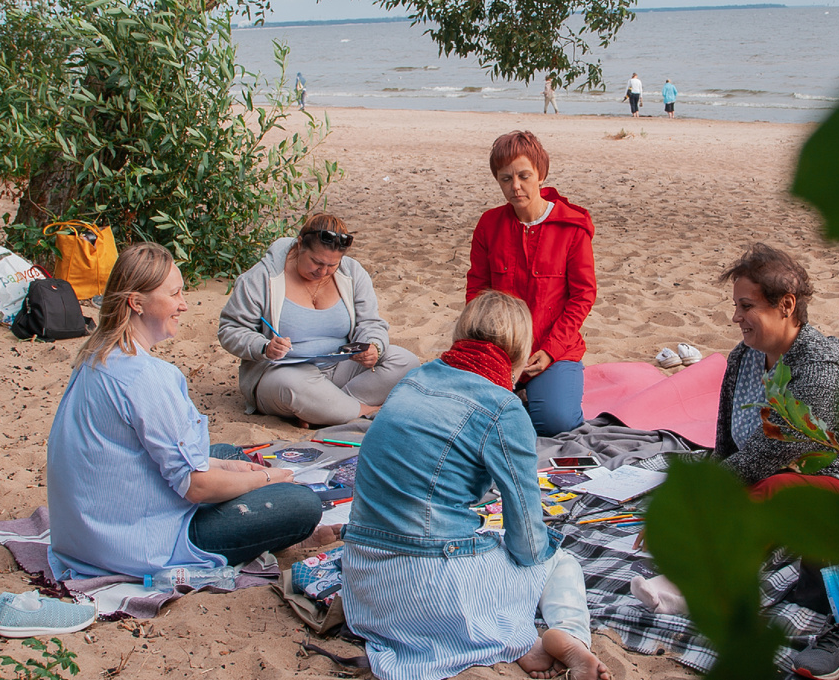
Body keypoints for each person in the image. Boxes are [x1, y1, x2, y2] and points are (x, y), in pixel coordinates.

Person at [342, 291, 611, 680]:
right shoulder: (503, 408)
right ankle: (569, 637)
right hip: (432, 584)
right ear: (521, 348)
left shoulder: (414, 378)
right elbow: (527, 537)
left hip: (366, 585)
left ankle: (525, 643)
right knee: (559, 561)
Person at [47, 243, 323, 580]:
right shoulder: (145, 376)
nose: (183, 304)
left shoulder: (96, 356)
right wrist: (264, 479)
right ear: (137, 303)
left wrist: (226, 466)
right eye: (175, 294)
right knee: (300, 504)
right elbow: (196, 486)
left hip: (88, 531)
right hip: (133, 545)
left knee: (224, 454)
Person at [218, 214, 419, 427]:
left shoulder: (352, 273)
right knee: (292, 386)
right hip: (283, 372)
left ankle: (322, 410)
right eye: (316, 262)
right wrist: (264, 346)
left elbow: (370, 323)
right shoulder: (260, 278)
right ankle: (360, 411)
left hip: (341, 367)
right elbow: (230, 329)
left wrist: (373, 346)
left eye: (332, 265)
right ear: (300, 245)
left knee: (406, 361)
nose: (323, 272)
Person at [714, 243, 839, 502]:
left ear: (786, 305)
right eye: (736, 306)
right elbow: (726, 447)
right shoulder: (743, 357)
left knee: (777, 490)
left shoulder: (821, 370)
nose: (736, 317)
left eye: (747, 306)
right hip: (762, 476)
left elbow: (771, 451)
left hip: (837, 480)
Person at [466, 130, 596, 435]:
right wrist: (494, 348)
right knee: (471, 418)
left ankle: (536, 394)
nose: (516, 187)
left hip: (552, 352)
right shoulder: (488, 225)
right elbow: (477, 291)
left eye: (524, 176)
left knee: (556, 423)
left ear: (541, 174)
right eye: (505, 179)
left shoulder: (572, 228)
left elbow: (583, 296)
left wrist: (550, 351)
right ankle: (519, 397)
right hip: (498, 349)